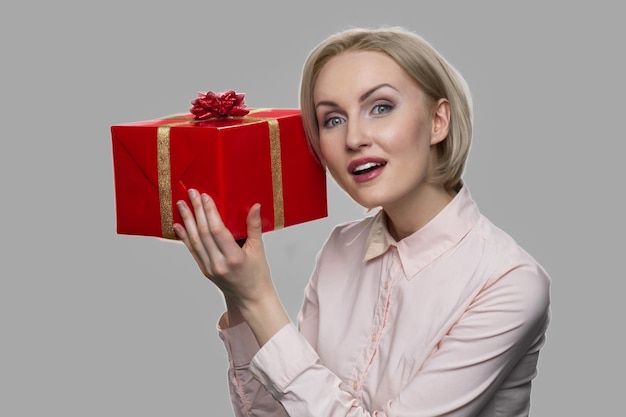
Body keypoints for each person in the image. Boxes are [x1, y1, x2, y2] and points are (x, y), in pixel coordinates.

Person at [173, 26, 551, 417]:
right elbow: (275, 412)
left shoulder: (508, 283)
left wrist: (258, 297)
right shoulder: (341, 248)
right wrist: (237, 292)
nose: (354, 137)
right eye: (332, 120)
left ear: (438, 121)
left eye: (381, 107)